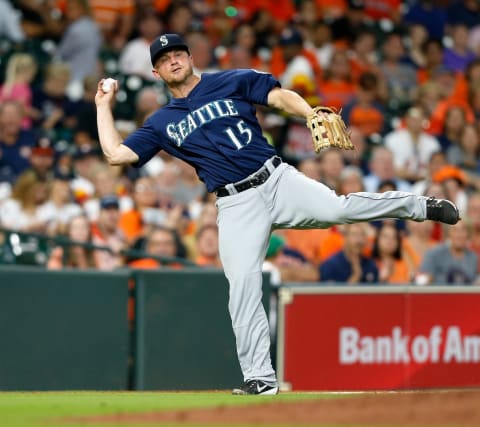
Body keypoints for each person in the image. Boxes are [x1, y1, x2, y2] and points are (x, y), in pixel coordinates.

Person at [95, 33, 460, 396]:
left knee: (339, 208)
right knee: (242, 286)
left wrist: (310, 112)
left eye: (177, 53)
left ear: (190, 57)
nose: (172, 60)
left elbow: (278, 96)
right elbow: (116, 154)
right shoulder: (161, 122)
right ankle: (261, 379)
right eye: (164, 59)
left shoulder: (231, 80)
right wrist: (103, 105)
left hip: (276, 178)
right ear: (157, 73)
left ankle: (419, 205)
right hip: (235, 203)